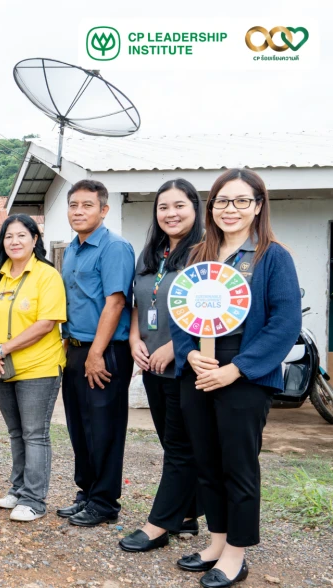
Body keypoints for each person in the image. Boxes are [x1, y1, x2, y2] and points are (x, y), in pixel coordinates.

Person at [170, 169, 300, 588]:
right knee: (206, 461)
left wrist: (237, 369)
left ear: (258, 206)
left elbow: (284, 323)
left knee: (238, 465)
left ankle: (236, 553)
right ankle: (216, 541)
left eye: (242, 201)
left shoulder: (272, 256)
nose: (232, 209)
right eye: (223, 201)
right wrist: (189, 353)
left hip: (245, 372)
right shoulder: (198, 255)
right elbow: (180, 312)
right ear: (212, 207)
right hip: (200, 368)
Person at [119, 180, 204, 552]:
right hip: (151, 363)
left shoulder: (205, 252)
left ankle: (159, 524)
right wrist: (135, 339)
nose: (171, 213)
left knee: (179, 445)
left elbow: (207, 312)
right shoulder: (151, 252)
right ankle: (187, 511)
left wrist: (174, 347)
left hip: (184, 365)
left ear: (196, 209)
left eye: (179, 206)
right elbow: (139, 302)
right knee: (172, 443)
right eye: (164, 207)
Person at [58, 179, 135, 527]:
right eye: (73, 205)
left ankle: (104, 502)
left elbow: (115, 302)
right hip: (75, 349)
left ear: (103, 210)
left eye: (87, 205)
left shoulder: (114, 247)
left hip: (104, 351)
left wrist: (95, 353)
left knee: (104, 428)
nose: (78, 211)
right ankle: (86, 493)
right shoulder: (73, 248)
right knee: (79, 426)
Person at [0, 215, 66, 522]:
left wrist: (1, 349)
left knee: (35, 434)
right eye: (8, 237)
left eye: (21, 236)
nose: (14, 242)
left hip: (37, 367)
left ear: (34, 240)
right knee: (16, 433)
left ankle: (34, 500)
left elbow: (46, 323)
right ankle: (18, 489)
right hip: (0, 365)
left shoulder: (47, 275)